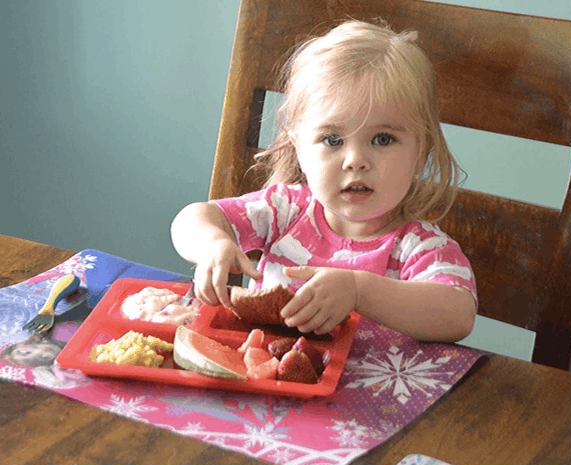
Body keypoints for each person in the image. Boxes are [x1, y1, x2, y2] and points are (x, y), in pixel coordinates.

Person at [171, 19, 477, 342]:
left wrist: (359, 291)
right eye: (332, 140)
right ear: (299, 148)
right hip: (266, 378)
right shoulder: (284, 212)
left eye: (383, 139)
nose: (356, 160)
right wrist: (214, 244)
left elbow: (458, 314)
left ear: (421, 152)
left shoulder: (419, 247)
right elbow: (189, 220)